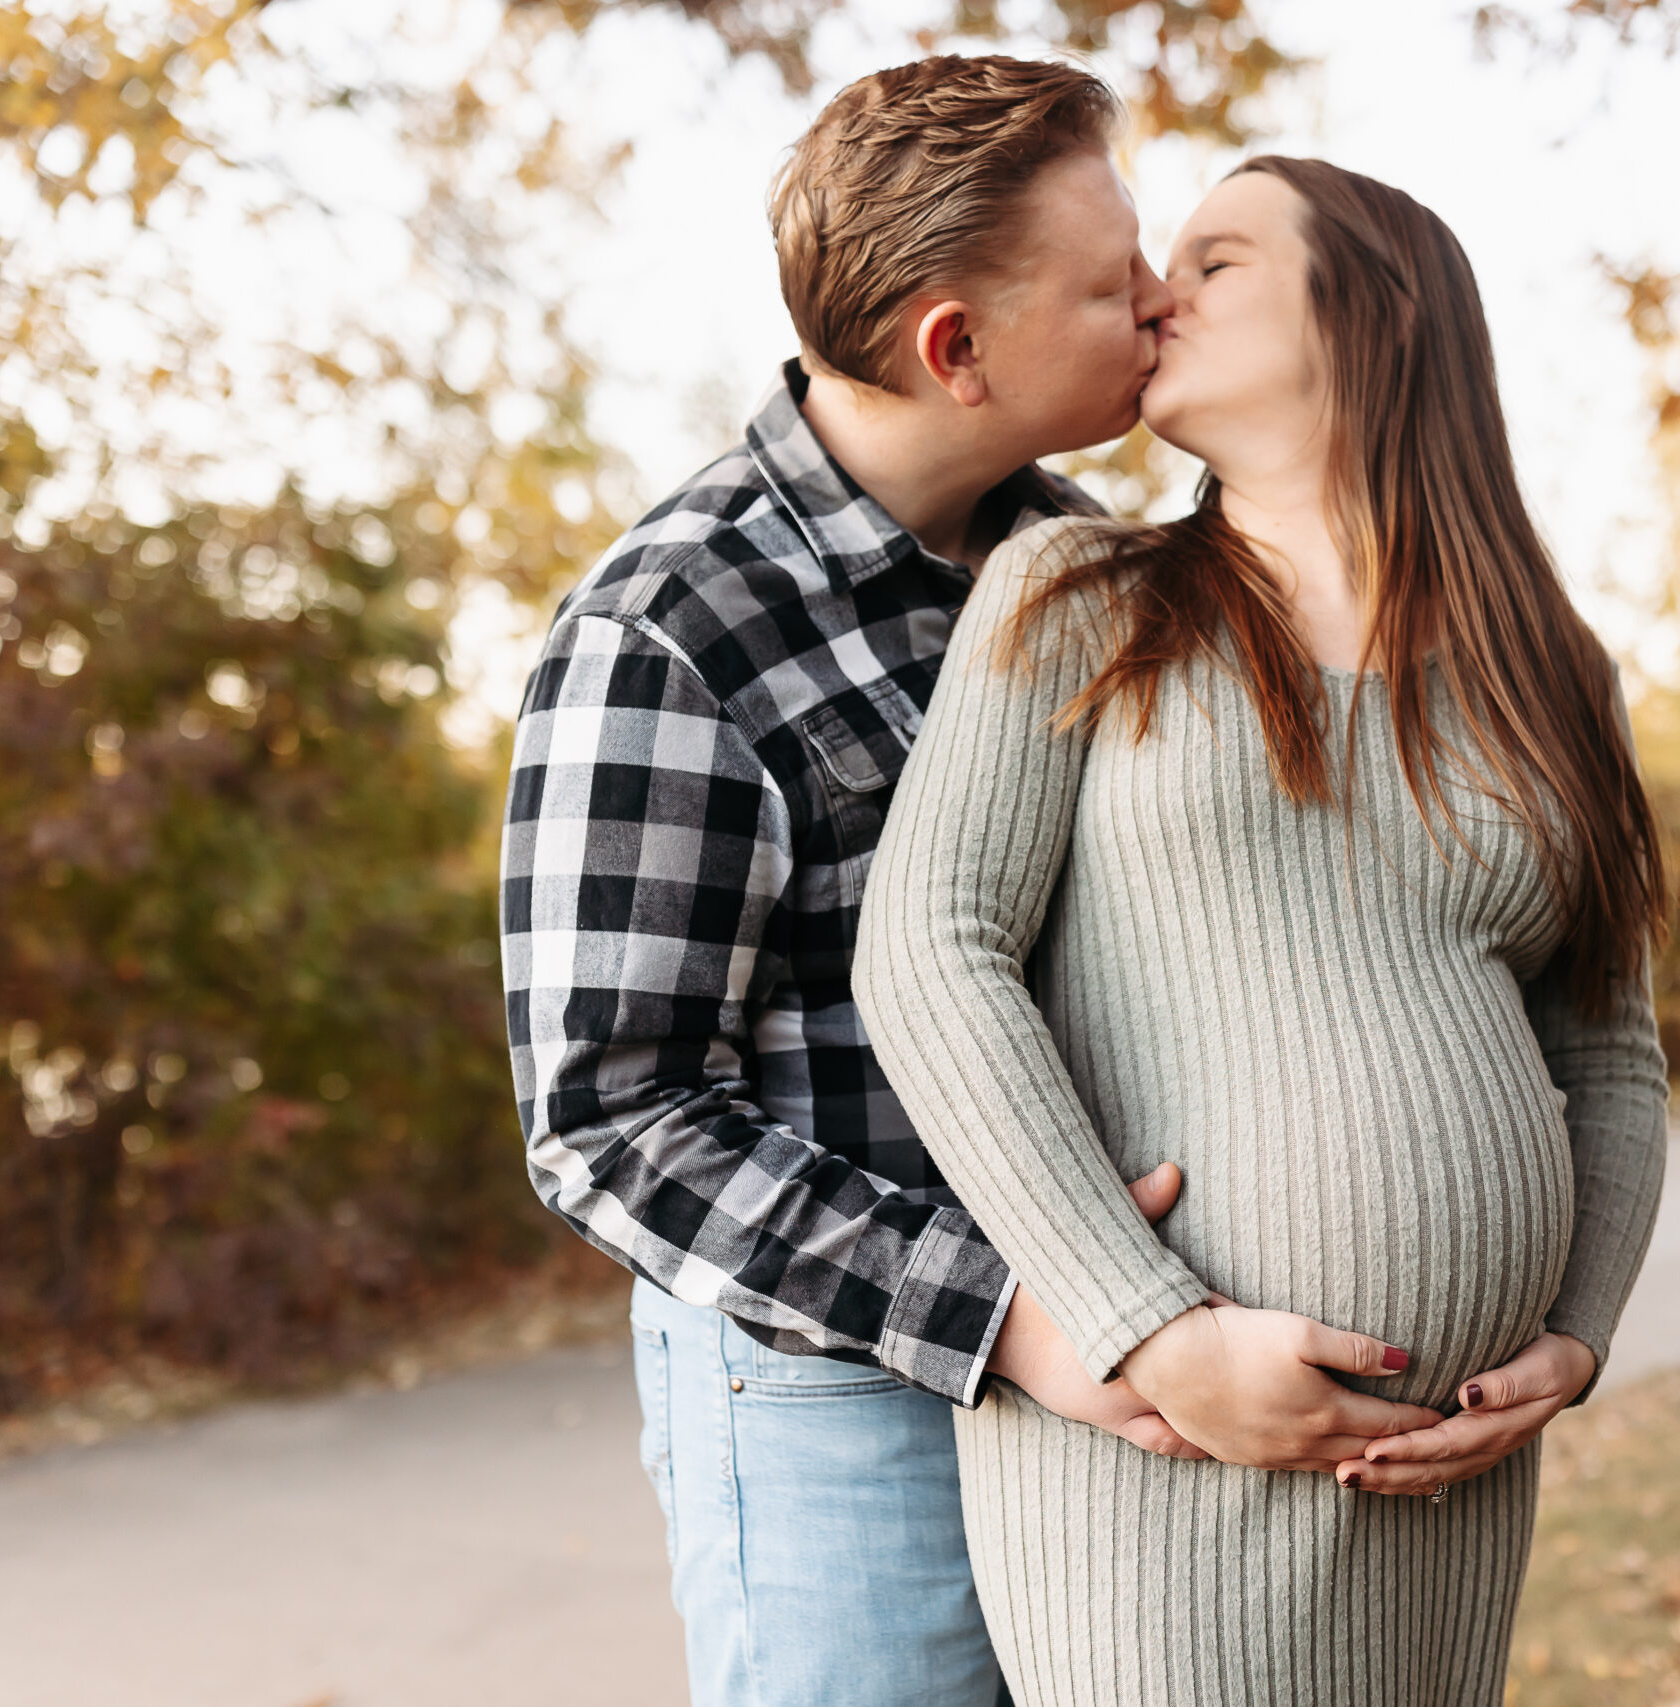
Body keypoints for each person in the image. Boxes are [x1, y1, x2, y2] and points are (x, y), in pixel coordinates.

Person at [498, 62, 1440, 1707]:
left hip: (1135, 1355)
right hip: (847, 1410)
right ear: (958, 346)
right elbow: (613, 1122)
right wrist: (1030, 1322)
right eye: (1109, 281)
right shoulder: (671, 632)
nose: (1158, 301)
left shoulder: (1072, 560)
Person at [853, 156, 1673, 1706]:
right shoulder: (1079, 592)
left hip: (1446, 1478)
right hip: (1169, 1454)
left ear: (1379, 316)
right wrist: (1147, 1328)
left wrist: (1572, 1341)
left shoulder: (1550, 669)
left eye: (1216, 263)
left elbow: (1611, 1054)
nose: (1158, 293)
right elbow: (930, 952)